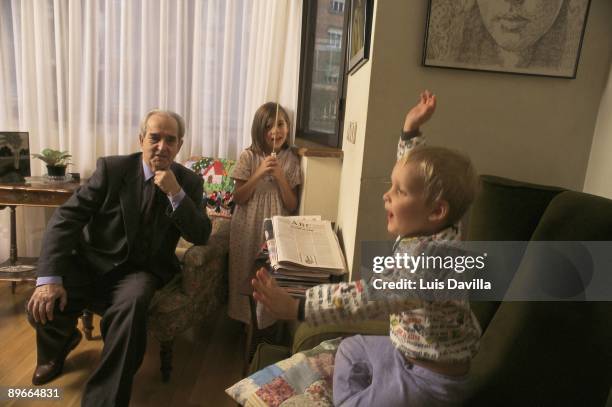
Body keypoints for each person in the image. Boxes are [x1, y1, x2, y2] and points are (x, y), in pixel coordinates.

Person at [252, 91, 482, 406]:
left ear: (436, 212)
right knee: (350, 348)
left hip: (429, 379)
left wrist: (299, 307)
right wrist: (409, 132)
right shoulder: (439, 223)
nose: (387, 196)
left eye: (398, 192)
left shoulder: (432, 264)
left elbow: (367, 297)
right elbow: (415, 175)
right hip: (402, 350)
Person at [26, 109, 212, 406]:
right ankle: (56, 346)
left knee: (132, 308)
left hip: (139, 273)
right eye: (155, 137)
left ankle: (103, 400)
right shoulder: (113, 170)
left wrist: (177, 195)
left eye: (170, 140)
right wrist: (48, 278)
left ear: (179, 145)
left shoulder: (188, 183)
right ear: (141, 139)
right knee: (41, 295)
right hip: (91, 261)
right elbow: (66, 219)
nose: (162, 146)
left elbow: (201, 234)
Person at [227, 102, 302, 328]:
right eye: (268, 126)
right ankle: (245, 324)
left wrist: (279, 176)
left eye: (280, 125)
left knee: (269, 275)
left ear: (288, 128)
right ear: (259, 130)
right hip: (247, 225)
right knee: (244, 273)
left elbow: (291, 204)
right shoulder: (248, 156)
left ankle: (266, 326)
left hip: (275, 226)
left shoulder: (292, 160)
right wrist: (259, 173)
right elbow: (238, 197)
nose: (275, 131)